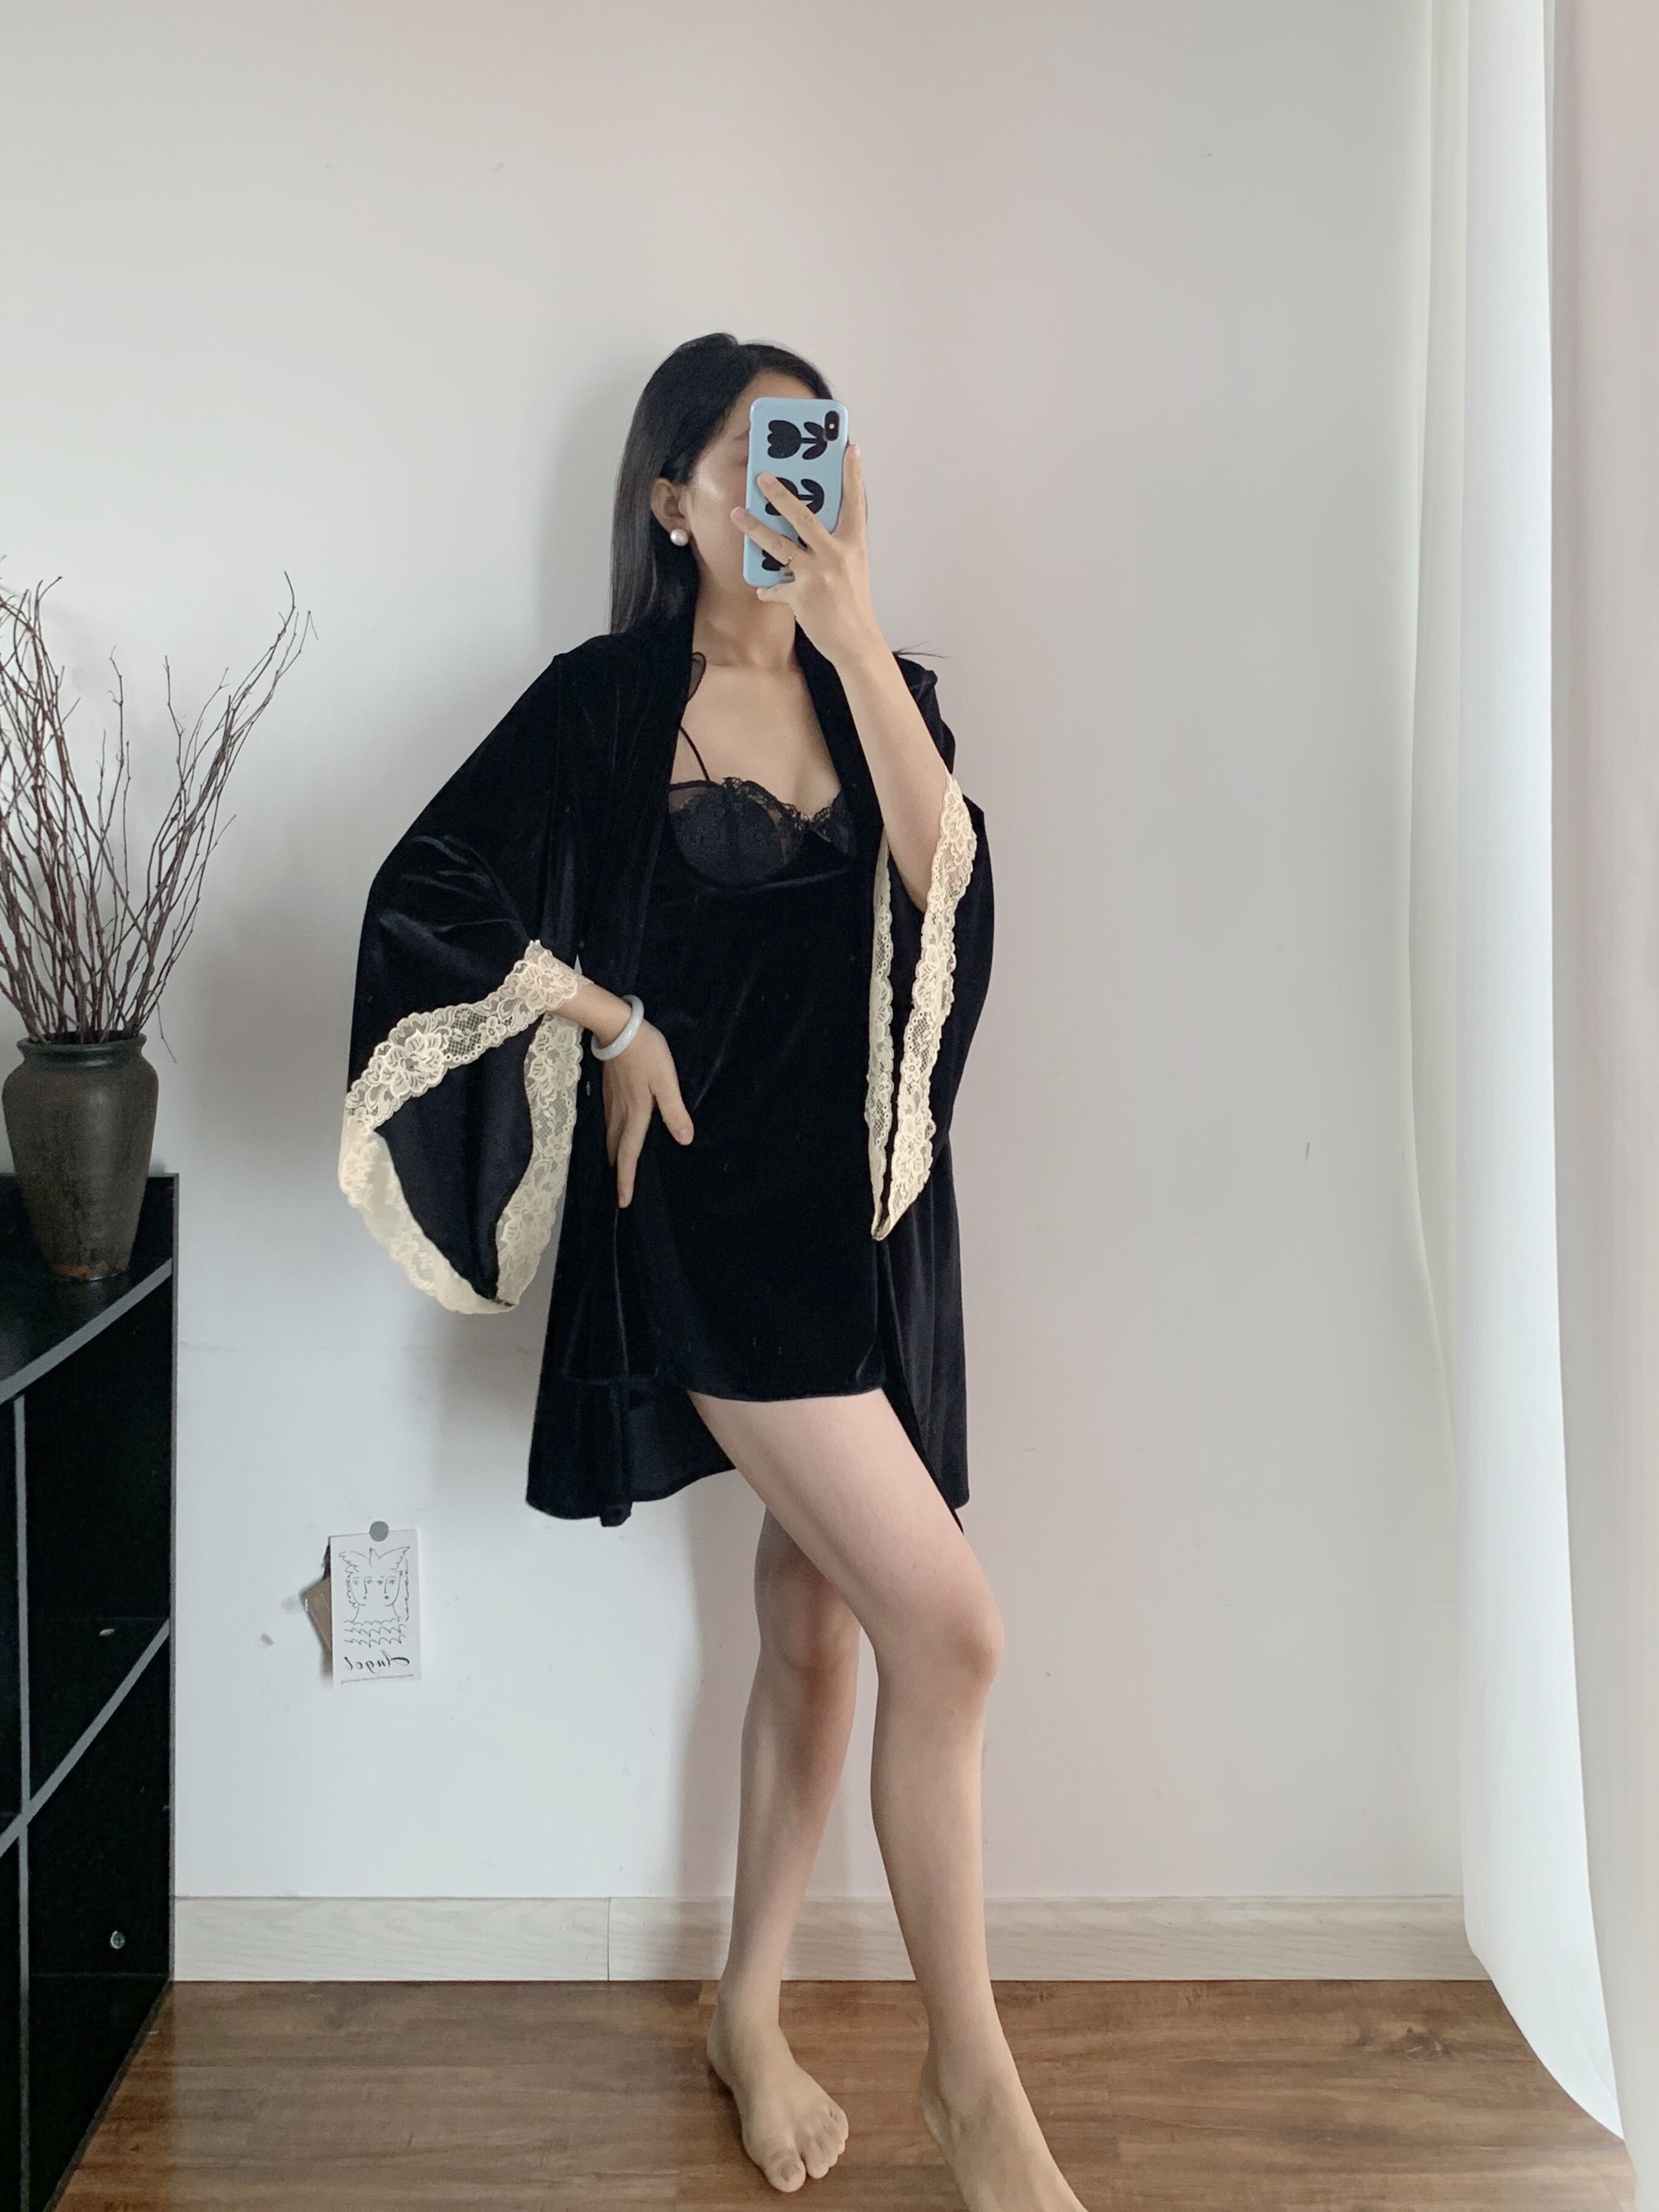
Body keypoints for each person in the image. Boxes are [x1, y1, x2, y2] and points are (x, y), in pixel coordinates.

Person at [341, 335, 1088, 2210]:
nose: (789, 490)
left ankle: (745, 2014)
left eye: (812, 452)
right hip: (707, 1228)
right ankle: (974, 2089)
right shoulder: (605, 703)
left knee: (820, 1626)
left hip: (872, 1234)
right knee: (956, 1633)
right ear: (671, 500)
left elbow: (953, 900)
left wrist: (855, 633)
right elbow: (428, 892)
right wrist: (607, 1021)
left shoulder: (880, 686)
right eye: (753, 459)